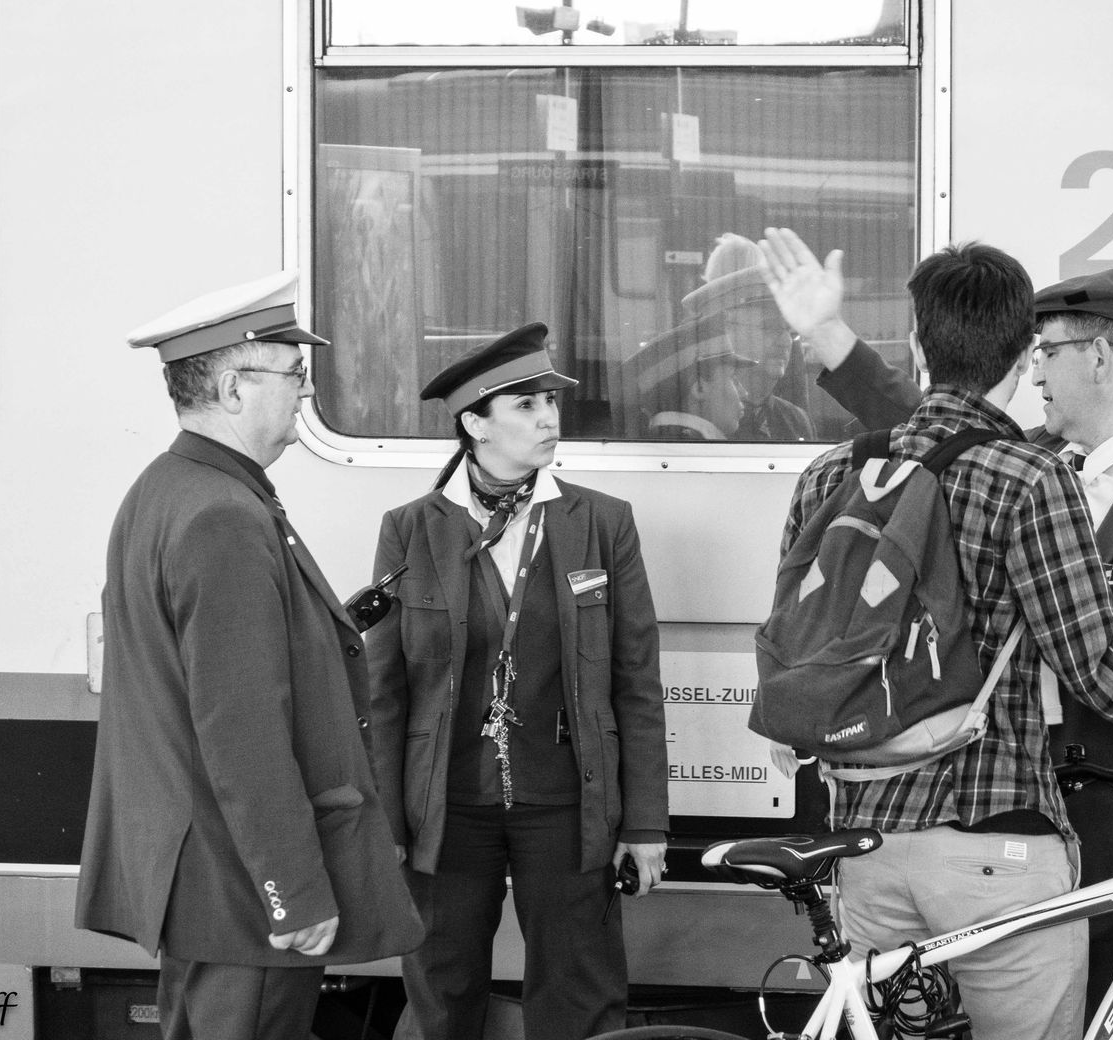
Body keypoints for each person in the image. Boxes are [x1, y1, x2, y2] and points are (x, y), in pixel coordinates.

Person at [759, 228, 1113, 1037]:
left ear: (1099, 357)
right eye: (1029, 349)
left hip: (893, 822)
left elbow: (927, 435)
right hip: (1003, 830)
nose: (1035, 368)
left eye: (1049, 351)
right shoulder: (1029, 470)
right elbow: (1102, 666)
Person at [74, 271, 424, 1040]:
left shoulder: (170, 490)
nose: (303, 394)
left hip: (207, 881)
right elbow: (242, 731)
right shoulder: (222, 516)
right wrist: (292, 892)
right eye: (293, 374)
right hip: (241, 895)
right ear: (234, 388)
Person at [365, 322, 668, 1040]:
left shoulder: (601, 522)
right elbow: (384, 688)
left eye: (550, 404)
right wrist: (386, 824)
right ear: (474, 423)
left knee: (580, 991)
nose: (548, 420)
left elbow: (636, 680)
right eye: (526, 406)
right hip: (447, 801)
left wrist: (645, 822)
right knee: (443, 988)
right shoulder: (411, 529)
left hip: (565, 800)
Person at [681, 233, 813, 441]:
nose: (785, 340)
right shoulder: (703, 417)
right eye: (770, 327)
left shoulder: (796, 419)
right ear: (727, 327)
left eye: (791, 330)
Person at [627, 313, 749, 440]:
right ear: (700, 388)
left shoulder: (657, 440)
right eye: (733, 379)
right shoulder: (705, 451)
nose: (744, 393)